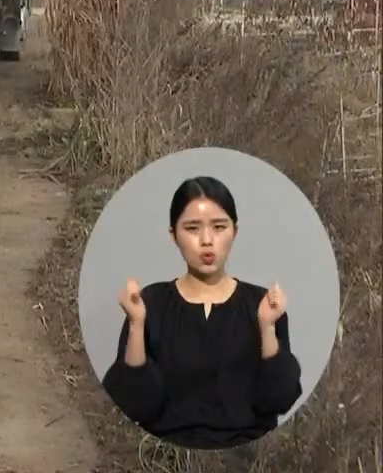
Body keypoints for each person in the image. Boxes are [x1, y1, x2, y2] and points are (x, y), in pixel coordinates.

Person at [102, 176, 304, 451]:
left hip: (248, 455)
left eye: (219, 227)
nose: (207, 241)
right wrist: (137, 324)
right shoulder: (150, 303)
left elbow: (277, 400)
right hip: (166, 454)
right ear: (173, 235)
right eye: (192, 228)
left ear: (235, 231)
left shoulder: (261, 304)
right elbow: (137, 405)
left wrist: (266, 327)